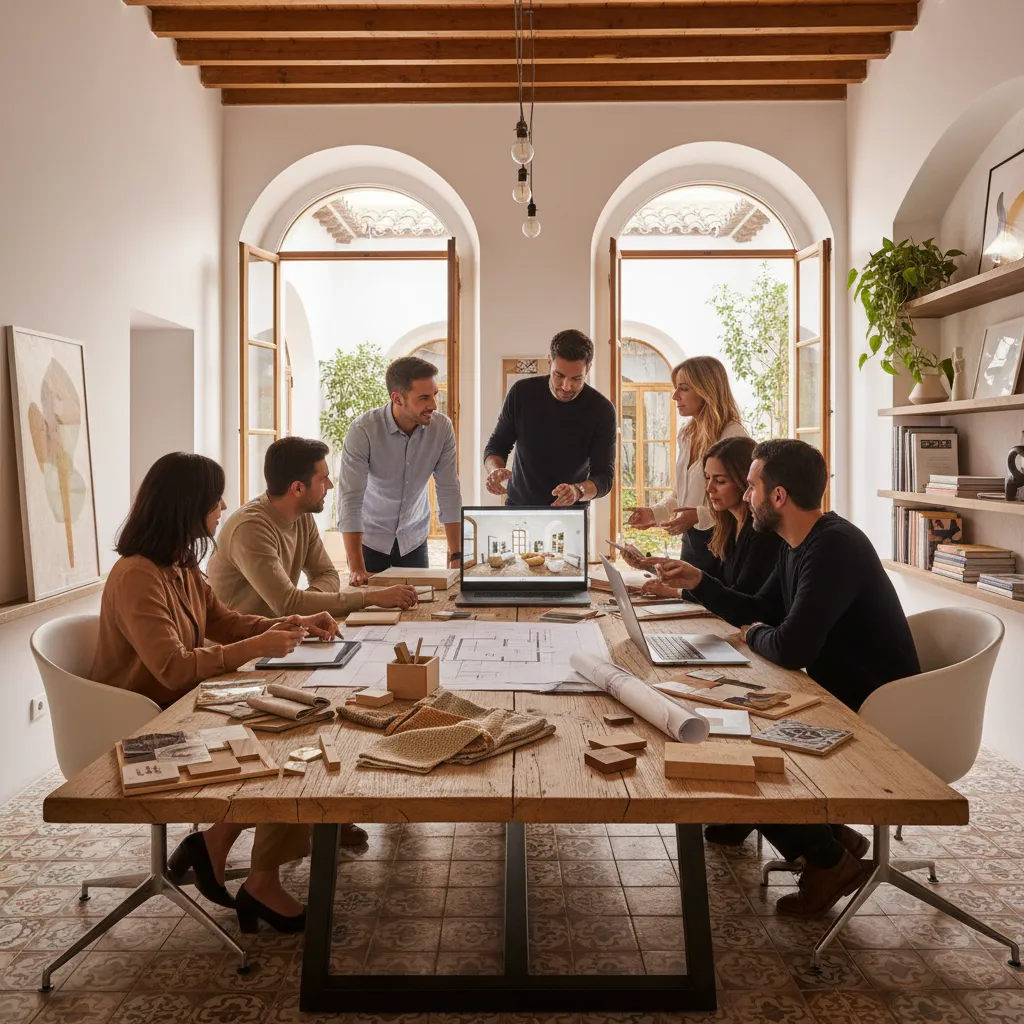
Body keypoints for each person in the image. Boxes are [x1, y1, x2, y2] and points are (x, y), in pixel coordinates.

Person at [651, 439, 920, 916]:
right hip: (832, 688)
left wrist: (755, 633)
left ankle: (828, 860)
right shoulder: (798, 542)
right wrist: (699, 582)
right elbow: (762, 610)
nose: (745, 495)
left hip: (873, 706)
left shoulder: (833, 547)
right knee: (723, 727)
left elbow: (791, 647)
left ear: (777, 496)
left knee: (740, 744)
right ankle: (830, 839)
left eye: (751, 486)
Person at [91, 452, 332, 933]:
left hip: (183, 707)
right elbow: (173, 668)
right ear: (188, 505)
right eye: (215, 498)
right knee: (284, 749)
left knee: (296, 733)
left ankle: (222, 849)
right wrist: (257, 646)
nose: (223, 506)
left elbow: (224, 621)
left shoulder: (180, 565)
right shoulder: (137, 575)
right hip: (146, 727)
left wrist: (290, 622)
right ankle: (251, 874)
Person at [208, 436, 416, 616]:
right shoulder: (251, 528)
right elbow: (289, 605)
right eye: (324, 479)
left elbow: (327, 575)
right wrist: (369, 597)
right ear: (297, 488)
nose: (330, 486)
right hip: (241, 646)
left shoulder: (302, 516)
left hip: (278, 635)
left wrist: (308, 603)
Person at [339, 356, 463, 585]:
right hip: (370, 541)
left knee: (421, 604)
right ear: (397, 398)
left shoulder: (442, 428)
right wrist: (356, 568)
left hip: (413, 540)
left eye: (434, 395)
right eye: (424, 398)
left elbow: (449, 491)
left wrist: (456, 556)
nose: (434, 405)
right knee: (371, 606)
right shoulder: (363, 430)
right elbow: (350, 498)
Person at [626, 356, 746, 574]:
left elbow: (741, 498)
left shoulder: (733, 436)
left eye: (683, 388)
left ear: (706, 390)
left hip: (722, 540)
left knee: (712, 594)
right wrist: (653, 513)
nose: (675, 396)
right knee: (686, 592)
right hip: (692, 539)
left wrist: (699, 515)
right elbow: (680, 496)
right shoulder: (687, 435)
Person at [484, 329, 616, 508]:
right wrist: (495, 471)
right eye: (559, 375)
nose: (566, 387)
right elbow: (496, 446)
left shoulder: (602, 410)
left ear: (589, 368)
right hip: (519, 507)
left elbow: (604, 478)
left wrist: (578, 491)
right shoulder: (521, 393)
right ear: (549, 362)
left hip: (571, 513)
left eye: (576, 378)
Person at [638, 435, 781, 599]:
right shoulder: (727, 525)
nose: (709, 488)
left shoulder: (761, 531)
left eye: (720, 481)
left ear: (744, 481)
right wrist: (671, 574)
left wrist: (677, 591)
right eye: (707, 478)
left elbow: (740, 597)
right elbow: (717, 584)